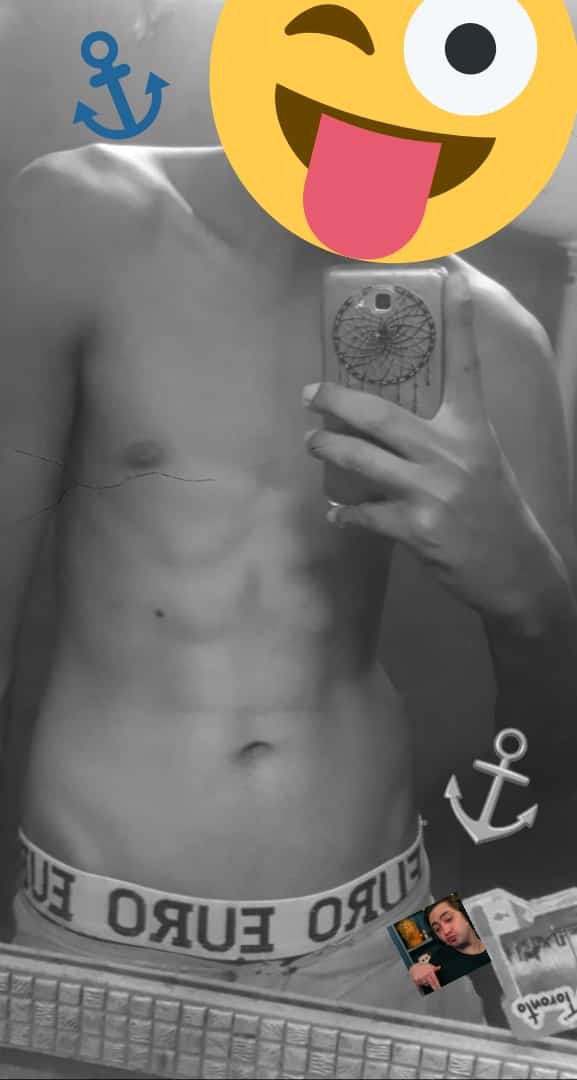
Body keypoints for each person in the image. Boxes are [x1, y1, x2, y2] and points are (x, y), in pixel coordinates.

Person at [0, 3, 576, 1024]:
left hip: (393, 928)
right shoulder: (82, 216)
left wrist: (527, 588)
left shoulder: (500, 334)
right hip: (91, 930)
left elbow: (558, 746)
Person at [409, 895, 490, 993]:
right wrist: (414, 969)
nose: (446, 931)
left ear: (465, 915)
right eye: (437, 929)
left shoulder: (492, 936)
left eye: (448, 919)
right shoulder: (439, 965)